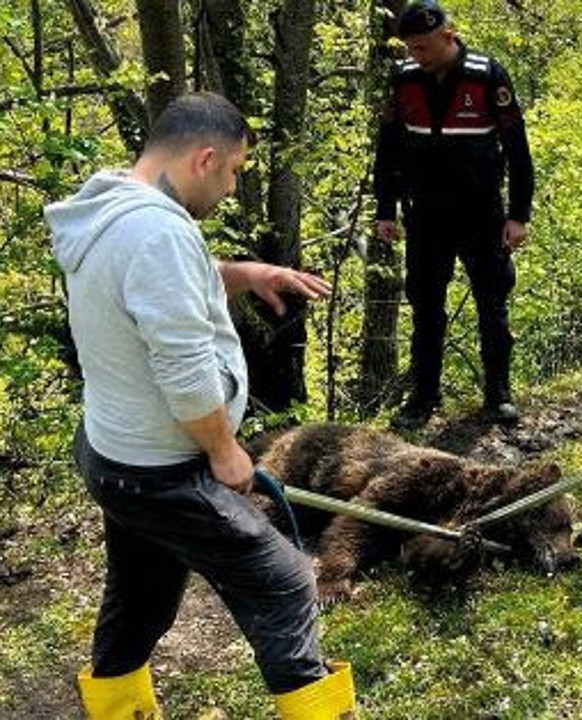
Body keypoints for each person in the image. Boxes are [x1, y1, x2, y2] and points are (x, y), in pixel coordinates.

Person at [45, 92, 355, 718]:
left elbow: (150, 283)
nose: (233, 186)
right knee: (287, 582)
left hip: (115, 454)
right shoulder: (157, 230)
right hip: (162, 473)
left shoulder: (109, 206)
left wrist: (244, 274)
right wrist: (225, 450)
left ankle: (117, 708)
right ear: (205, 157)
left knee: (143, 593)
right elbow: (184, 368)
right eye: (235, 171)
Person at [374, 0, 534, 429]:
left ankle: (498, 394)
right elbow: (386, 147)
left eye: (423, 47)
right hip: (425, 215)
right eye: (410, 47)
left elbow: (518, 150)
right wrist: (384, 208)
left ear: (449, 36)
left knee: (492, 304)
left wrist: (519, 214)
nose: (416, 55)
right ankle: (423, 397)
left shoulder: (487, 76)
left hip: (481, 214)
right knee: (426, 308)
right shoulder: (404, 80)